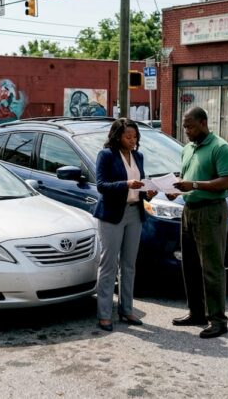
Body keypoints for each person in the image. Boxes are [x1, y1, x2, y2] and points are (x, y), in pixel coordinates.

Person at [166, 107, 228, 339]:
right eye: (184, 127)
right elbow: (185, 178)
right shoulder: (187, 148)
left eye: (190, 126)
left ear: (204, 123)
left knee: (212, 267)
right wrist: (175, 190)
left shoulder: (220, 147)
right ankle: (196, 312)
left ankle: (218, 320)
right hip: (189, 210)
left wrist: (194, 185)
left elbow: (227, 181)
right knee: (190, 265)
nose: (186, 131)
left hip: (211, 211)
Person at [93, 118, 157, 331]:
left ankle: (126, 310)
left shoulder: (138, 156)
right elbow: (101, 185)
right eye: (128, 136)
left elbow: (140, 187)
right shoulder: (106, 155)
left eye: (135, 137)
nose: (132, 140)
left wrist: (148, 192)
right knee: (109, 264)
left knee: (129, 265)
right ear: (117, 136)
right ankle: (104, 314)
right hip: (111, 215)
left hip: (134, 213)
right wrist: (126, 184)